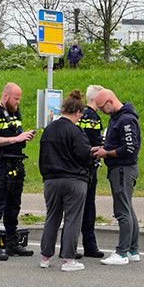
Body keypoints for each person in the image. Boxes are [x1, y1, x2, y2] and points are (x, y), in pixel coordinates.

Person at [38, 90, 92, 272]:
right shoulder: (76, 131)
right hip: (74, 180)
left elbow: (42, 156)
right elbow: (84, 155)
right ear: (77, 112)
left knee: (52, 216)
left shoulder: (49, 129)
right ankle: (68, 260)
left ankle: (45, 257)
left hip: (51, 180)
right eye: (80, 115)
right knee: (72, 219)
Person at [0, 83, 36, 261]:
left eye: (19, 99)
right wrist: (17, 138)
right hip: (1, 166)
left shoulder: (15, 112)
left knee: (14, 207)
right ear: (6, 96)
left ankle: (12, 243)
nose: (18, 102)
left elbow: (17, 135)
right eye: (16, 98)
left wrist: (24, 136)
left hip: (16, 164)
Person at [92, 88, 141, 265]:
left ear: (110, 102)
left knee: (122, 211)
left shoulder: (126, 119)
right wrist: (102, 149)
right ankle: (133, 249)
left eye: (102, 108)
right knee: (128, 208)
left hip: (123, 169)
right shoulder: (117, 118)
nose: (102, 112)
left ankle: (122, 253)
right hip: (121, 168)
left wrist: (108, 154)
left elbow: (130, 148)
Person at [74, 84, 106, 258]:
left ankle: (75, 244)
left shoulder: (80, 114)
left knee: (78, 207)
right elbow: (92, 143)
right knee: (88, 207)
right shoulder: (92, 117)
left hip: (77, 167)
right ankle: (89, 245)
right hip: (88, 168)